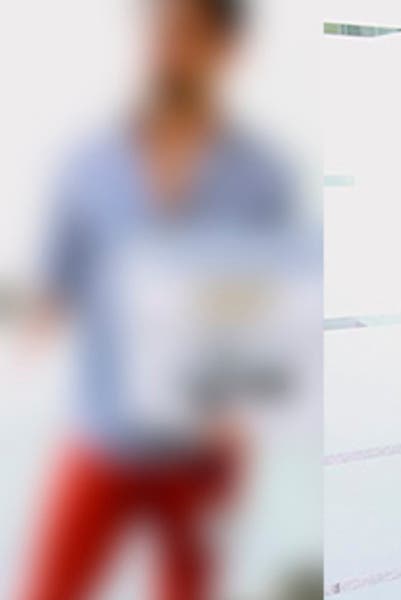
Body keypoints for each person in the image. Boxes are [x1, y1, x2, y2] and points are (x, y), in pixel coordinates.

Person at [17, 0, 293, 598]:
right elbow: (53, 288)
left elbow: (274, 309)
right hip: (103, 428)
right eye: (160, 31)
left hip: (203, 443)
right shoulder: (88, 162)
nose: (170, 49)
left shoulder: (260, 174)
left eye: (188, 34)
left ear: (224, 49)